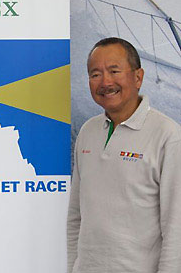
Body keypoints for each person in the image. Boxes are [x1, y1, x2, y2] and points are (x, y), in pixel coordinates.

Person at [67, 37, 181, 272]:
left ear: (138, 77)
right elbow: (76, 216)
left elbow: (176, 228)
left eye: (114, 70)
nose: (105, 81)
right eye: (95, 74)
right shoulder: (88, 132)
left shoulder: (168, 135)